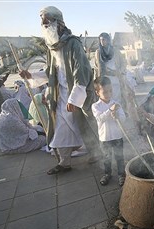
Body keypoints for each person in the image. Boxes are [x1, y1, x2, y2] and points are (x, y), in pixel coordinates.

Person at [19, 6, 100, 175]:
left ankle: (97, 154)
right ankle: (64, 162)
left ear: (58, 22)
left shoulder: (72, 43)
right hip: (60, 95)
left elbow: (82, 71)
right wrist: (31, 75)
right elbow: (50, 72)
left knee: (86, 125)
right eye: (42, 21)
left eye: (46, 20)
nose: (44, 24)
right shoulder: (51, 48)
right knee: (63, 128)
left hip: (78, 94)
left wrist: (75, 98)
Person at [92, 76, 126, 187]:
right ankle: (107, 174)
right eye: (105, 92)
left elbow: (123, 118)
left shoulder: (116, 103)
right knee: (106, 158)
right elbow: (100, 118)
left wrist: (118, 116)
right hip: (104, 137)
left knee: (119, 157)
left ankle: (121, 174)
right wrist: (110, 110)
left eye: (110, 90)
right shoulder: (95, 106)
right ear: (97, 92)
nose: (109, 94)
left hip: (117, 136)